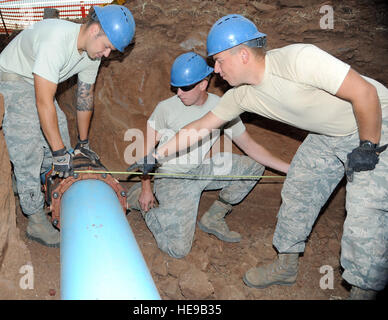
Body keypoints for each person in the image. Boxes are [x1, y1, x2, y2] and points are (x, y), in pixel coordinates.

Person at [130, 15, 388, 299]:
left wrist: (368, 144)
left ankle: (363, 294)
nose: (215, 70)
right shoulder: (240, 97)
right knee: (299, 189)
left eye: (219, 61)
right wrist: (155, 156)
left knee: (367, 215)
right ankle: (286, 266)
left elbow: (365, 92)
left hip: (375, 124)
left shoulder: (299, 60)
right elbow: (199, 127)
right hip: (327, 134)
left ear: (242, 54)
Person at [0, 5, 135, 248]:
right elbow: (43, 101)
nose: (107, 54)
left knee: (61, 141)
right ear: (94, 30)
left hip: (34, 84)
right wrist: (59, 153)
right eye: (107, 46)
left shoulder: (91, 54)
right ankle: (35, 217)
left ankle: (29, 182)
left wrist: (82, 143)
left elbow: (84, 99)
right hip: (14, 79)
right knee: (29, 146)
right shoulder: (56, 39)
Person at [127, 52, 289, 258]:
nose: (178, 93)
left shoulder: (222, 107)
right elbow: (147, 152)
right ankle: (146, 208)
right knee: (177, 250)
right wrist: (146, 187)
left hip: (201, 170)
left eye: (185, 87)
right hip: (171, 179)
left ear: (203, 84)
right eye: (175, 86)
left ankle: (214, 217)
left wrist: (289, 169)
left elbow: (251, 147)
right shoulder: (165, 109)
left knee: (253, 166)